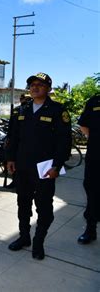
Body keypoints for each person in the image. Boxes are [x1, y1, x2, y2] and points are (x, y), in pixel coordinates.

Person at [6, 72, 71, 260]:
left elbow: (64, 142)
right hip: (23, 166)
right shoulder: (21, 110)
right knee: (23, 204)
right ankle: (24, 236)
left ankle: (38, 242)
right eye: (32, 84)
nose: (35, 87)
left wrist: (57, 166)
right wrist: (10, 159)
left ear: (48, 88)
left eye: (40, 85)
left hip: (45, 168)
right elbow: (13, 138)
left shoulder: (58, 110)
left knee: (44, 208)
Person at [77, 94, 100, 244]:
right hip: (96, 156)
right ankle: (90, 229)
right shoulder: (94, 101)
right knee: (92, 192)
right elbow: (84, 124)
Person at [4, 93, 32, 189]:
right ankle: (14, 181)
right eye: (22, 98)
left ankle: (20, 182)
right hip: (14, 141)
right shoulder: (16, 110)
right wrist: (8, 138)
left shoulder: (30, 109)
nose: (24, 100)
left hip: (25, 141)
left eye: (26, 98)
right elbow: (11, 126)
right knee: (13, 162)